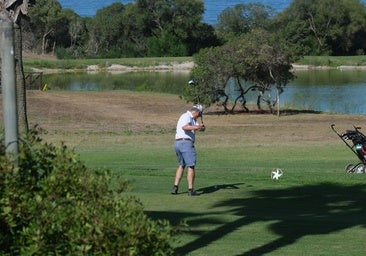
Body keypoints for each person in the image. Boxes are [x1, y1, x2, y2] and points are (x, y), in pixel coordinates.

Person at [171, 105, 205, 196]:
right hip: (185, 143)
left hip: (178, 143)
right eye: (200, 114)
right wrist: (197, 127)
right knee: (191, 166)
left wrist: (201, 127)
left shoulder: (193, 119)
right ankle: (190, 190)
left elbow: (199, 128)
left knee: (182, 165)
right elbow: (185, 127)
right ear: (197, 112)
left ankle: (175, 187)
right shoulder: (186, 116)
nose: (199, 116)